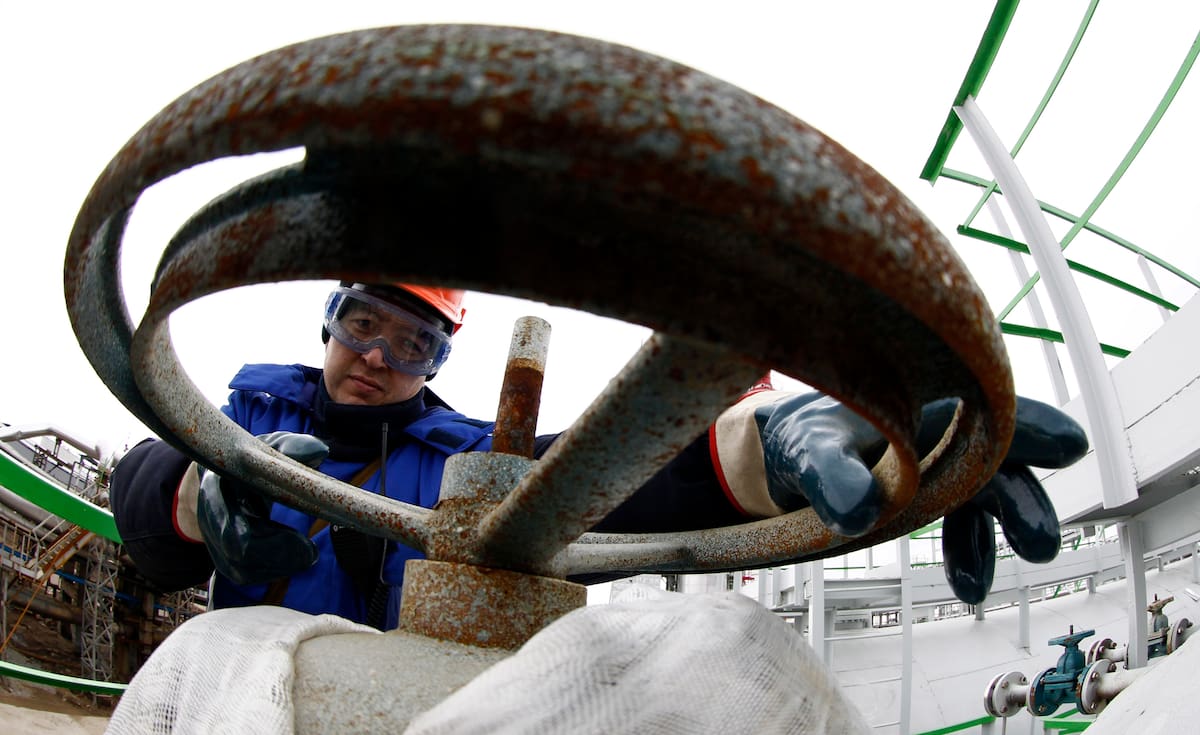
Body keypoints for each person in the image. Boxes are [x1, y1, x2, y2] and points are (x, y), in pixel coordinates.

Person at [109, 281, 1088, 630]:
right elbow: (142, 505)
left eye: (412, 344)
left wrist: (759, 448)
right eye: (362, 326)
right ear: (329, 318)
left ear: (441, 360)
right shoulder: (238, 421)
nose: (375, 360)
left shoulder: (469, 461)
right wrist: (200, 493)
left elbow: (623, 481)